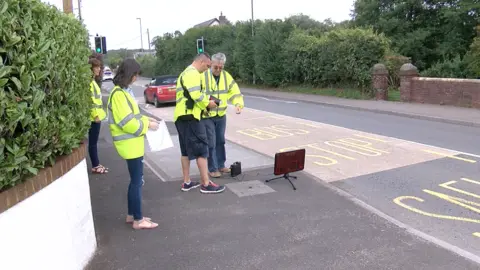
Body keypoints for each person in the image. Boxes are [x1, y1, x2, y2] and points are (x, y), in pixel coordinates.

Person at [108, 58, 160, 230]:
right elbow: (127, 122)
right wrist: (147, 126)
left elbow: (134, 116)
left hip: (132, 145)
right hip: (130, 145)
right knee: (137, 182)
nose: (136, 78)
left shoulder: (122, 93)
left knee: (135, 181)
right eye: (135, 75)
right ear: (129, 74)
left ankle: (132, 215)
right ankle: (138, 220)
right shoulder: (119, 95)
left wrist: (147, 118)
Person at [174, 53, 226, 194]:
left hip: (182, 116)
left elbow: (190, 95)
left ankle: (187, 182)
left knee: (185, 151)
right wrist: (208, 103)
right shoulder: (193, 74)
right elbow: (196, 95)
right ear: (202, 62)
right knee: (202, 149)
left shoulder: (185, 73)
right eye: (208, 66)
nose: (208, 69)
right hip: (191, 117)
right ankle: (206, 184)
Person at [200, 53, 244, 178]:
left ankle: (220, 165)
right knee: (211, 142)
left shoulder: (226, 76)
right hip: (207, 115)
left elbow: (234, 92)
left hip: (221, 115)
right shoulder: (203, 76)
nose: (218, 70)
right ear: (211, 65)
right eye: (216, 67)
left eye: (221, 67)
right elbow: (197, 94)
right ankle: (213, 168)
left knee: (220, 141)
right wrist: (206, 103)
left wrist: (238, 104)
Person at [88, 58, 109, 174]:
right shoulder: (90, 83)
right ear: (91, 69)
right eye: (96, 67)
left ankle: (96, 163)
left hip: (97, 116)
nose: (99, 69)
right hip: (94, 118)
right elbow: (90, 100)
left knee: (94, 143)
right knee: (93, 143)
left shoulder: (93, 82)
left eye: (100, 67)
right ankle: (95, 165)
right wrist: (95, 115)